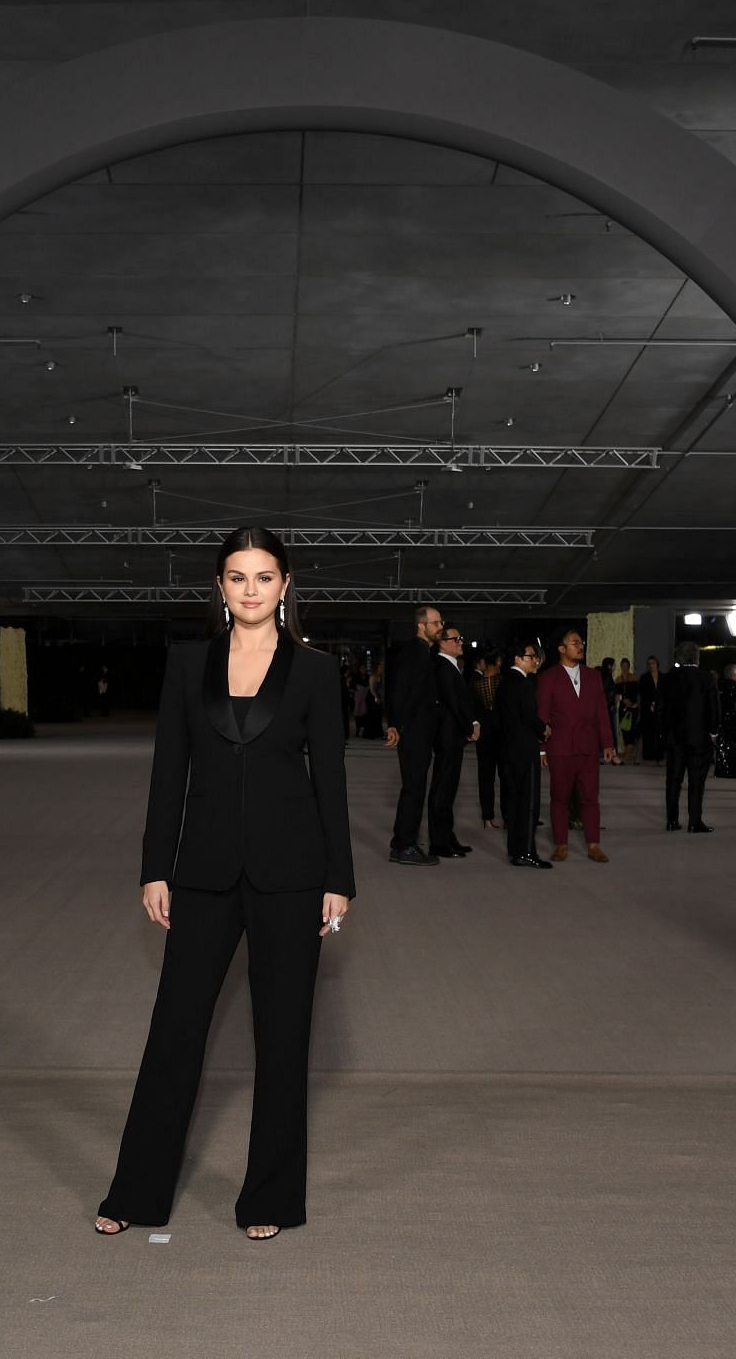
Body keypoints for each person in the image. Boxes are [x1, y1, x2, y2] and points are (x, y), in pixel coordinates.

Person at [96, 525, 355, 1243]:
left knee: (282, 1039)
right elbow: (167, 773)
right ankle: (137, 1189)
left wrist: (340, 878)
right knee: (174, 1032)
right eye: (237, 577)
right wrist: (156, 865)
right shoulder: (188, 664)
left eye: (264, 577)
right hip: (202, 874)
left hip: (293, 876)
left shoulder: (314, 671)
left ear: (285, 586)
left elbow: (329, 779)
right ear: (219, 587)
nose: (250, 589)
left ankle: (269, 1196)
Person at [537, 629, 615, 862]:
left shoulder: (593, 676)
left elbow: (602, 711)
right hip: (560, 748)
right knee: (559, 798)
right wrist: (542, 747)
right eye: (574, 643)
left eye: (581, 642)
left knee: (590, 797)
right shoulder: (548, 677)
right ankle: (561, 844)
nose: (580, 646)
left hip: (588, 748)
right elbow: (542, 715)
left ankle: (593, 845)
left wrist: (608, 743)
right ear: (562, 649)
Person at [384, 604, 445, 865]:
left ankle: (403, 843)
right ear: (421, 625)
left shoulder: (423, 652)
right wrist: (396, 725)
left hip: (416, 731)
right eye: (436, 623)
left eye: (441, 622)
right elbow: (399, 690)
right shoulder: (415, 653)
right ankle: (405, 846)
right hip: (413, 733)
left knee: (414, 788)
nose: (440, 627)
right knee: (414, 789)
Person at [426, 625, 481, 857]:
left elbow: (463, 701)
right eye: (456, 638)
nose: (460, 641)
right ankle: (438, 842)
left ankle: (447, 837)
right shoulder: (441, 666)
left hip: (453, 736)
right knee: (442, 789)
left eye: (461, 637)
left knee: (449, 789)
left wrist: (473, 723)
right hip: (447, 737)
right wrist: (470, 726)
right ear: (443, 643)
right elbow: (452, 702)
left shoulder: (452, 666)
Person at [496, 640, 550, 867]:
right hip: (524, 750)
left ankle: (515, 850)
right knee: (528, 803)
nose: (534, 660)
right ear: (517, 658)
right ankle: (526, 852)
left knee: (514, 802)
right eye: (530, 656)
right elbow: (529, 715)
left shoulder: (504, 682)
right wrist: (544, 729)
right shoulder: (524, 683)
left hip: (507, 749)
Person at [658, 642, 719, 833]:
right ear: (697, 658)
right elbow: (714, 708)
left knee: (673, 780)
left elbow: (659, 709)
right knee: (696, 780)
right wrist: (714, 732)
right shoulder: (706, 678)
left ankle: (671, 820)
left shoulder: (667, 678)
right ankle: (694, 821)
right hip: (698, 737)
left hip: (674, 738)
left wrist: (663, 732)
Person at [470, 653, 503, 829]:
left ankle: (487, 816)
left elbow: (473, 710)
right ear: (497, 662)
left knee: (485, 777)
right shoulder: (503, 683)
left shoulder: (475, 685)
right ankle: (507, 815)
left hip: (484, 736)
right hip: (502, 735)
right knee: (506, 777)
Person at [714, 663, 736, 778]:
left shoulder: (721, 687)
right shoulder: (735, 688)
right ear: (735, 673)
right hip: (733, 721)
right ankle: (735, 771)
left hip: (723, 721)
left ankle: (722, 770)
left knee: (724, 746)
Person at [638, 655, 664, 764]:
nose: (651, 665)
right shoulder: (644, 677)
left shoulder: (664, 677)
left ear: (657, 664)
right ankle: (649, 756)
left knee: (660, 732)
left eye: (653, 663)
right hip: (647, 708)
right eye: (649, 664)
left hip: (661, 708)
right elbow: (641, 694)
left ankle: (660, 755)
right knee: (648, 732)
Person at [597, 657, 623, 763]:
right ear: (609, 666)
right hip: (608, 709)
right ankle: (613, 756)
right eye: (614, 664)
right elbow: (606, 694)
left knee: (605, 732)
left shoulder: (603, 677)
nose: (615, 666)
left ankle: (603, 755)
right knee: (611, 732)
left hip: (605, 708)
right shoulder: (607, 678)